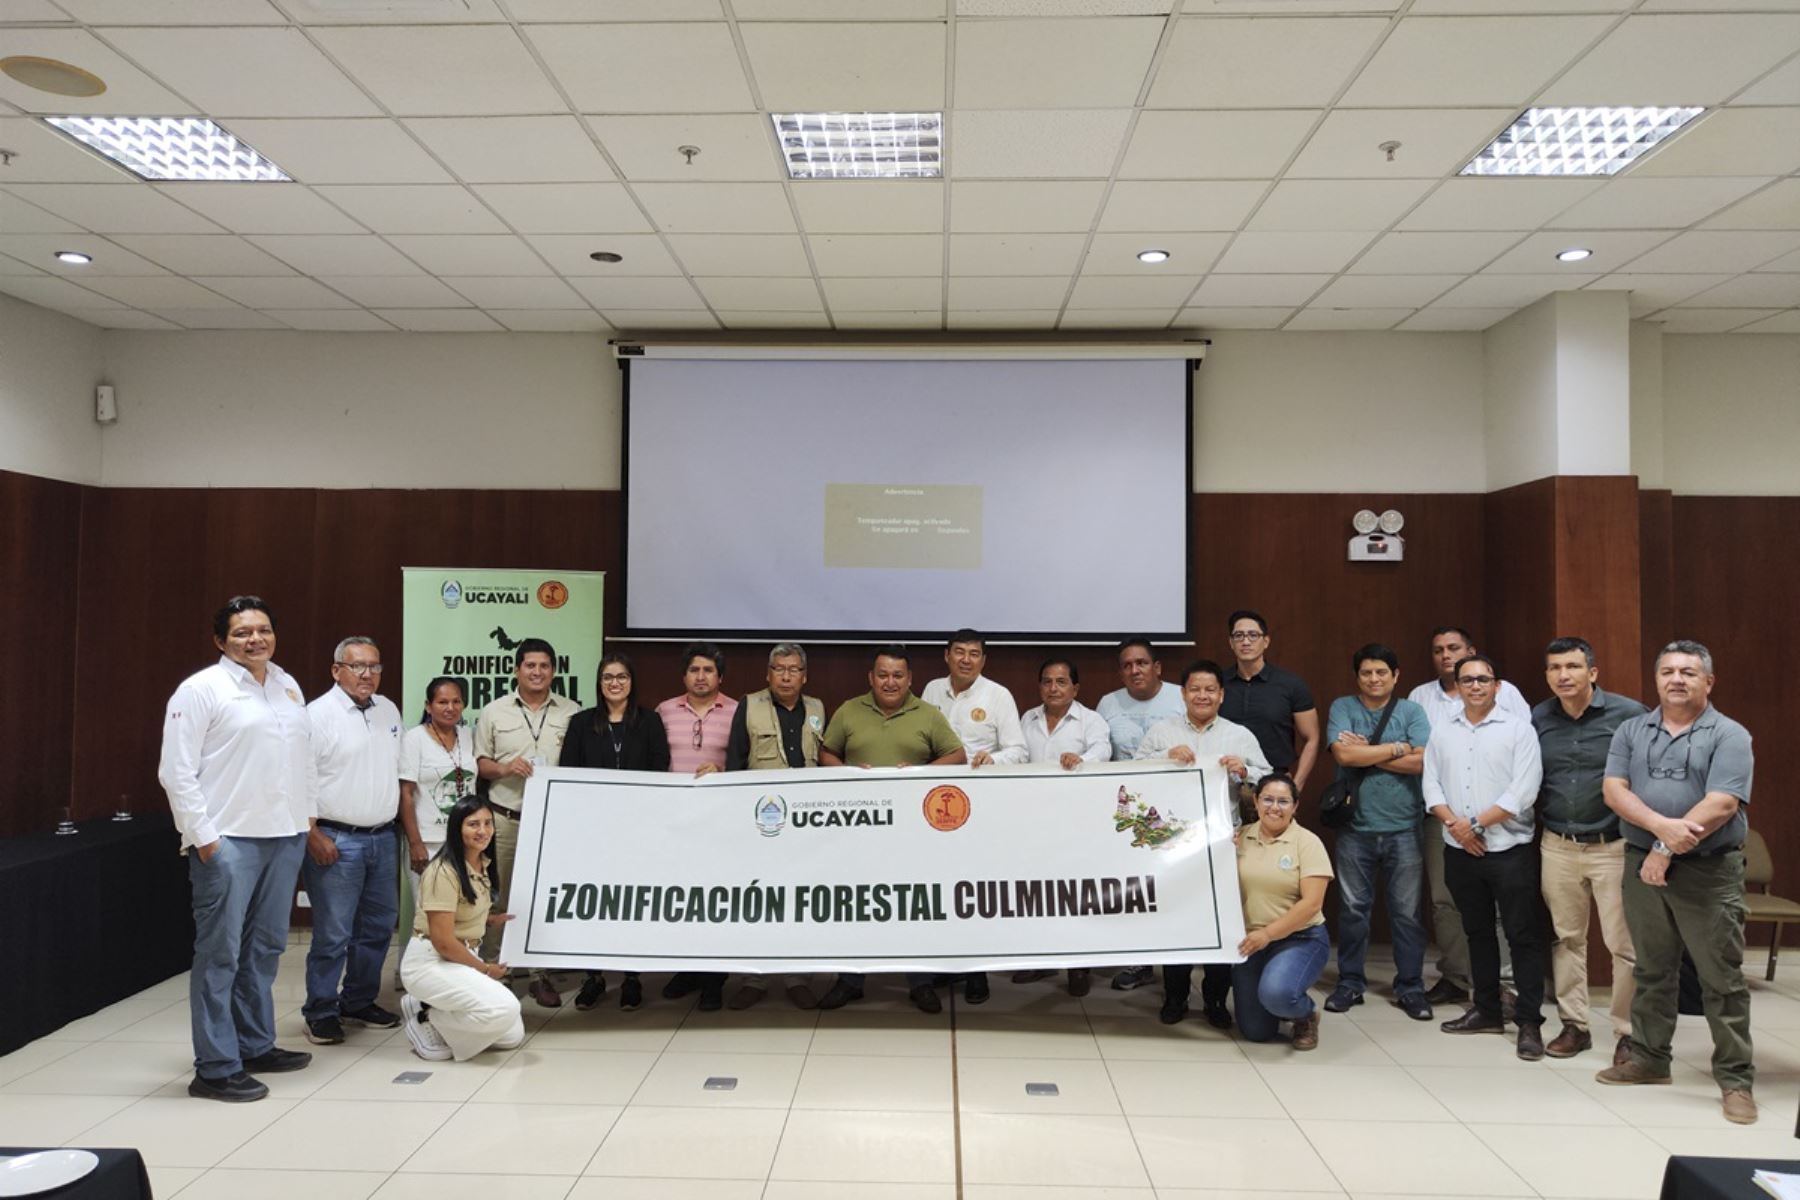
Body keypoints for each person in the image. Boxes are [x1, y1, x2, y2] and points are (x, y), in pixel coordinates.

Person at [158, 595, 313, 1102]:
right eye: (243, 632)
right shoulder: (201, 689)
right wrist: (204, 838)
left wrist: (306, 816)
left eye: (263, 629)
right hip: (228, 841)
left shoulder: (287, 684)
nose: (256, 639)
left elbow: (302, 757)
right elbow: (175, 772)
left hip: (284, 836)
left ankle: (254, 1043)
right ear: (221, 640)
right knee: (220, 954)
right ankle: (216, 1066)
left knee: (266, 948)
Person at [1596, 640, 1757, 1126]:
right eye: (1668, 671)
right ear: (1657, 679)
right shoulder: (1632, 729)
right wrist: (1660, 830)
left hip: (1707, 869)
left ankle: (1735, 1079)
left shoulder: (1729, 734)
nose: (1677, 679)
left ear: (1709, 681)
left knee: (1720, 978)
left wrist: (1665, 847)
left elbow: (1723, 803)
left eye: (1689, 672)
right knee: (1652, 967)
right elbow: (1613, 790)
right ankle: (1649, 1059)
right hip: (1641, 862)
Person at [816, 646, 966, 1013]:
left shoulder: (927, 714)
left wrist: (919, 774)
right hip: (857, 830)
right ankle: (850, 980)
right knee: (855, 903)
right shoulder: (850, 709)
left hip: (911, 834)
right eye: (883, 674)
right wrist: (849, 775)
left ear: (910, 680)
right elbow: (826, 754)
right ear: (871, 678)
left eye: (898, 675)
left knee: (912, 903)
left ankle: (920, 981)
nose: (890, 682)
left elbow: (957, 756)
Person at [1423, 654, 1547, 1060]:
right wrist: (1457, 827)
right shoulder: (1443, 730)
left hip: (1509, 849)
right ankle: (1487, 1009)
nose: (1475, 686)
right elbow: (1431, 784)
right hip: (1461, 851)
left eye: (1483, 679)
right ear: (1456, 688)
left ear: (1497, 686)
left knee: (1522, 936)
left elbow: (1524, 791)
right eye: (1467, 680)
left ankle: (1529, 1021)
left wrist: (1473, 823)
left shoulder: (1518, 729)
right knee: (1476, 932)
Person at [1137, 659, 1271, 1026]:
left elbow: (1266, 778)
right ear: (1182, 694)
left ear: (1221, 694)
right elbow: (1135, 775)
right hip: (1173, 847)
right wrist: (1165, 759)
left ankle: (1215, 999)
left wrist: (1244, 771)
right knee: (1177, 921)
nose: (1202, 695)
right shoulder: (1161, 733)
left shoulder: (1239, 735)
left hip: (1223, 844)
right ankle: (1175, 997)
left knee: (1220, 922)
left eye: (1210, 689)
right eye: (1195, 689)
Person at [1532, 637, 1647, 1065]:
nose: (1563, 675)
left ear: (1592, 672)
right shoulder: (1538, 717)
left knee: (1623, 945)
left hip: (1613, 846)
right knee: (1566, 939)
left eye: (1573, 667)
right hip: (1558, 843)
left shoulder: (1630, 715)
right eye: (1555, 668)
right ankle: (1574, 1025)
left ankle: (1628, 1032)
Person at [1407, 625, 1532, 1007]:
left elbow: (1523, 769)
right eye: (1438, 649)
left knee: (1498, 912)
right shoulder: (1422, 697)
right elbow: (1427, 765)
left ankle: (1503, 986)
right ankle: (1457, 977)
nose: (1445, 655)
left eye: (1454, 648)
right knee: (1446, 903)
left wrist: (1476, 823)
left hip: (1502, 827)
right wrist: (1455, 825)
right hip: (1445, 824)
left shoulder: (1507, 695)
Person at [300, 636, 404, 1045]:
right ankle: (320, 1010)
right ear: (336, 670)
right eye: (358, 666)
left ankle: (358, 1000)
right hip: (335, 839)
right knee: (333, 933)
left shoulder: (389, 710)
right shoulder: (315, 715)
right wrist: (312, 833)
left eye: (375, 667)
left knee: (378, 927)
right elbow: (298, 780)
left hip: (383, 837)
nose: (367, 674)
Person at [1322, 644, 1434, 1021]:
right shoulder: (1343, 707)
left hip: (1405, 827)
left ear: (1396, 676)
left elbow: (1423, 762)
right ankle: (1350, 982)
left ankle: (1410, 987)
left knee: (1407, 914)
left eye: (1382, 673)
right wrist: (1396, 749)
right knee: (1353, 911)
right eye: (1367, 673)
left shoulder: (1411, 711)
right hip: (1355, 828)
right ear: (1358, 677)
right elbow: (1344, 756)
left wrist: (1370, 748)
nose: (1374, 679)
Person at [558, 652, 671, 1012]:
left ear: (631, 682)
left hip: (639, 830)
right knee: (598, 903)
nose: (615, 683)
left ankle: (632, 977)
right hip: (594, 832)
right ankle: (593, 976)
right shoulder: (581, 723)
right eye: (608, 677)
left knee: (634, 902)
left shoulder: (650, 721)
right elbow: (569, 773)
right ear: (599, 683)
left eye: (622, 677)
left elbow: (660, 766)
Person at [473, 637, 580, 1006]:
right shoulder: (494, 711)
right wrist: (505, 767)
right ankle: (495, 971)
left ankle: (539, 974)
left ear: (554, 671)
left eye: (544, 666)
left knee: (542, 898)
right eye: (530, 665)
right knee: (498, 897)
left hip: (553, 824)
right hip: (505, 819)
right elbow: (480, 764)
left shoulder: (572, 712)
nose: (537, 672)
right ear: (517, 669)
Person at [722, 642, 825, 1011]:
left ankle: (798, 976)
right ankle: (755, 977)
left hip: (806, 825)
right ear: (768, 674)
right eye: (779, 669)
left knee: (801, 900)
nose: (786, 676)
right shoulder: (748, 705)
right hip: (762, 821)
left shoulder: (817, 708)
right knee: (761, 900)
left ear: (804, 675)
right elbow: (734, 760)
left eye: (793, 669)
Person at [398, 796, 526, 1063]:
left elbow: (464, 909)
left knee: (511, 1035)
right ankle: (428, 1017)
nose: (483, 831)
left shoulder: (483, 864)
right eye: (473, 824)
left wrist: (490, 919)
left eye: (488, 823)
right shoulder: (442, 871)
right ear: (457, 828)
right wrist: (486, 969)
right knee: (505, 1008)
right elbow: (443, 941)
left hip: (461, 957)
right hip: (431, 961)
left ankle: (430, 1005)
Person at [1015, 657, 1111, 995]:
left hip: (1076, 822)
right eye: (1047, 682)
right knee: (1037, 893)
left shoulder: (1091, 720)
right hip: (1033, 822)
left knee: (1074, 894)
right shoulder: (1028, 719)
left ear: (1075, 688)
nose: (1053, 688)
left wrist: (1083, 761)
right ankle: (1041, 960)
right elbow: (1016, 756)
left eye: (1061, 682)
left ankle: (1078, 966)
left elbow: (1104, 749)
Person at [1097, 637, 1185, 992]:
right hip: (1129, 809)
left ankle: (1178, 957)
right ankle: (1139, 962)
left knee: (1173, 883)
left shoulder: (1181, 696)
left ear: (1157, 667)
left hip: (1175, 807)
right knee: (1134, 886)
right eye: (1128, 665)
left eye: (1142, 663)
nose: (1135, 670)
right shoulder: (1108, 704)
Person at [656, 642, 739, 1010]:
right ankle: (687, 969)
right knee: (683, 900)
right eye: (694, 670)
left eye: (708, 670)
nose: (701, 676)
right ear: (684, 675)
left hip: (721, 822)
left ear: (720, 677)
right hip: (676, 821)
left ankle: (713, 979)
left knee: (715, 901)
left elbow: (745, 763)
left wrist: (722, 772)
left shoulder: (738, 711)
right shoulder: (664, 711)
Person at [1234, 773, 1334, 1049]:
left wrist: (1268, 934)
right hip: (1251, 943)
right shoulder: (1240, 838)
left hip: (1299, 938)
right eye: (1267, 799)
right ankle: (1278, 1003)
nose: (1274, 807)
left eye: (1283, 801)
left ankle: (1306, 1014)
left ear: (1295, 806)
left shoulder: (1307, 842)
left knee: (1277, 995)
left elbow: (1312, 904)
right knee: (1256, 1032)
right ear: (1255, 801)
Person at [396, 677, 476, 988]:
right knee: (429, 922)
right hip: (427, 844)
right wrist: (414, 843)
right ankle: (422, 988)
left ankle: (455, 985)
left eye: (456, 701)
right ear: (428, 706)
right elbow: (405, 795)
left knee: (462, 918)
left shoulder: (468, 736)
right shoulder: (414, 739)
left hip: (464, 846)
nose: (450, 707)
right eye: (442, 702)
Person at [1221, 610, 1321, 790]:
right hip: (1225, 781)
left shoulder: (1291, 684)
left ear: (1265, 641)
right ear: (1231, 643)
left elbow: (1312, 738)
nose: (1245, 641)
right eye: (1239, 636)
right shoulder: (1218, 684)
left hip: (1275, 782)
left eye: (1253, 635)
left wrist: (1296, 786)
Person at [921, 628, 1027, 767]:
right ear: (947, 655)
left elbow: (1019, 752)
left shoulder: (999, 695)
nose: (966, 660)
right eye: (959, 652)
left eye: (974, 654)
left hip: (978, 777)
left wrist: (993, 759)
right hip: (936, 777)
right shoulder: (933, 689)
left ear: (983, 661)